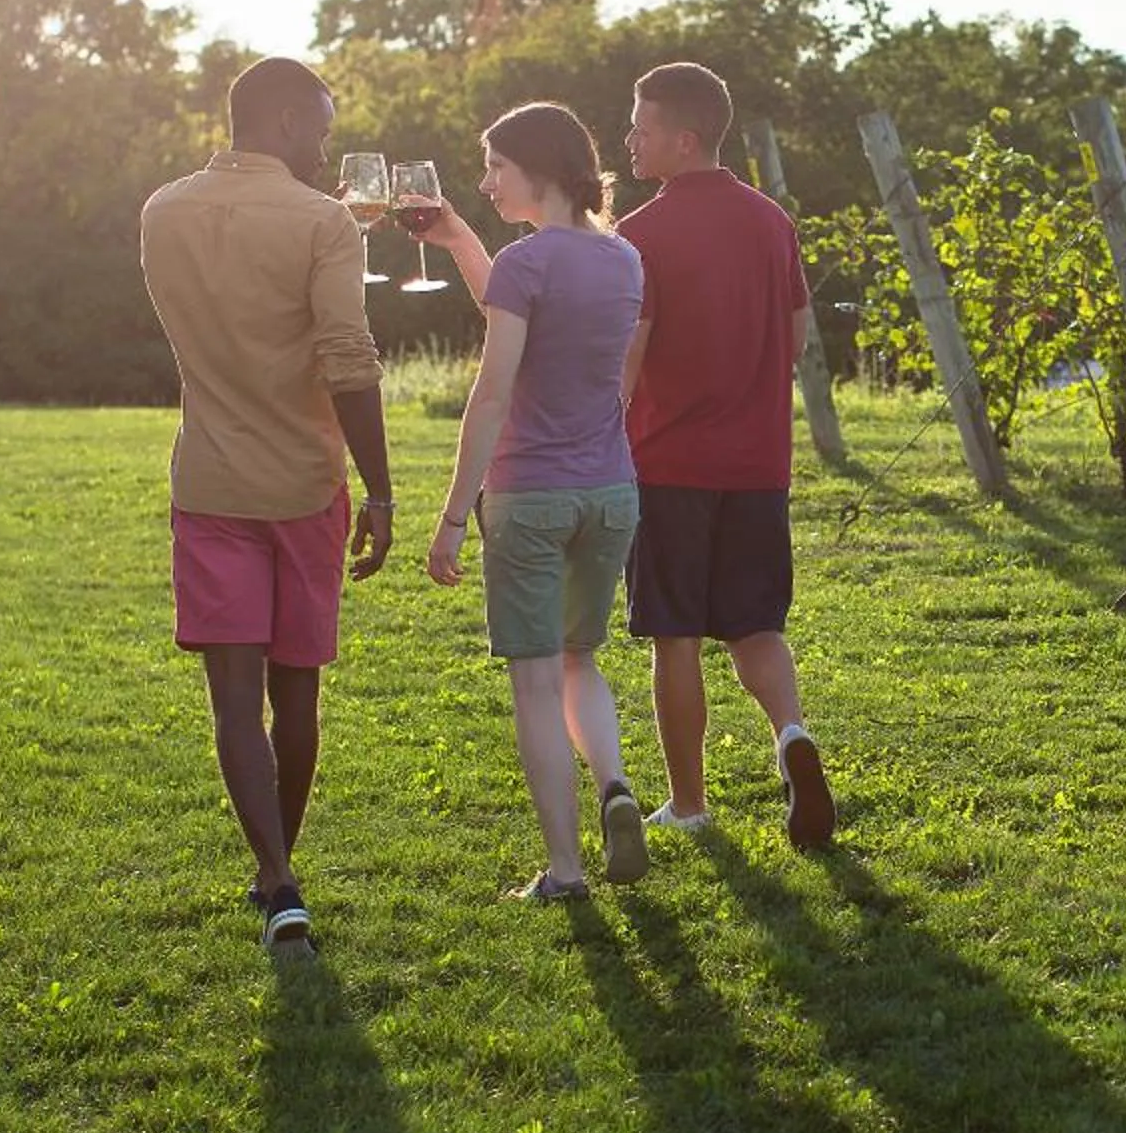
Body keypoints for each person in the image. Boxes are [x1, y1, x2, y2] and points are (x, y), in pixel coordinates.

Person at [139, 56, 394, 953]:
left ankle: (276, 878)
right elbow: (347, 355)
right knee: (297, 695)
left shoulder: (161, 212)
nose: (326, 148)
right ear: (285, 120)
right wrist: (382, 485)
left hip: (209, 482)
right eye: (321, 128)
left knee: (234, 702)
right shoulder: (324, 222)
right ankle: (277, 871)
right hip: (302, 484)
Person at [415, 101, 653, 902]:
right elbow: (524, 303)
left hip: (531, 498)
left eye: (495, 167)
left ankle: (565, 871)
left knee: (535, 681)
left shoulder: (529, 264)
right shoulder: (621, 258)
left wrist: (452, 519)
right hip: (611, 494)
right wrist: (458, 240)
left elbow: (492, 393)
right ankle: (616, 785)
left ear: (538, 171)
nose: (485, 182)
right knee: (581, 659)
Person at [614, 61, 835, 849]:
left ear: (684, 137)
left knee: (674, 636)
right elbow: (800, 331)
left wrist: (602, 430)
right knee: (755, 626)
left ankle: (690, 802)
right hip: (757, 464)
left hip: (668, 464)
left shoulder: (639, 236)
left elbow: (626, 357)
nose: (629, 138)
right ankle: (791, 734)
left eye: (640, 125)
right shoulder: (772, 221)